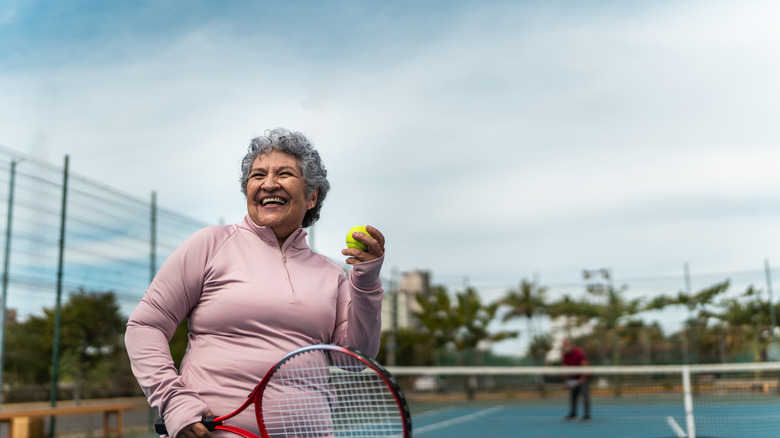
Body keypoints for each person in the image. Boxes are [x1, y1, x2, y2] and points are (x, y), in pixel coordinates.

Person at [124, 128, 386, 438]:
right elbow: (145, 327)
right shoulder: (210, 244)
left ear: (312, 196)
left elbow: (354, 359)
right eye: (257, 175)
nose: (268, 184)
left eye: (284, 173)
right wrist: (173, 400)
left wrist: (366, 281)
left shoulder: (331, 274)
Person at [561, 338, 591, 422]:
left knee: (584, 394)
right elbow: (564, 369)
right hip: (575, 376)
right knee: (573, 394)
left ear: (571, 345)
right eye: (563, 346)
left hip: (585, 375)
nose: (564, 347)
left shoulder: (579, 352)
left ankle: (586, 415)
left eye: (566, 345)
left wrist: (582, 379)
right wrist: (566, 382)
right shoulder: (564, 354)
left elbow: (585, 366)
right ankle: (573, 414)